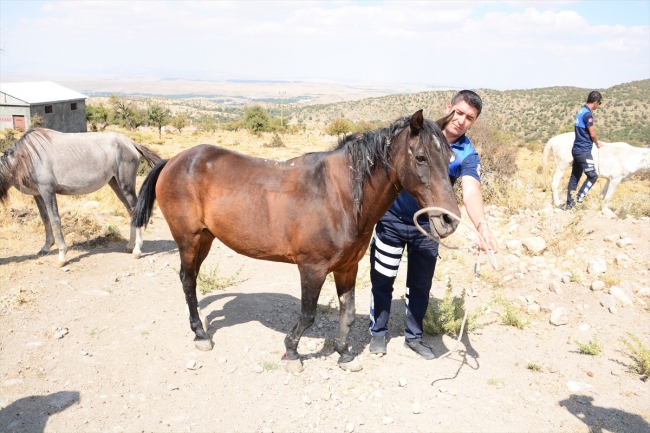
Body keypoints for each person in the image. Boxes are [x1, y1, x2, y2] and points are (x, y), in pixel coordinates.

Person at [368, 90, 498, 359]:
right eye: (459, 112)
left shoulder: (466, 154)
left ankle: (413, 337)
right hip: (391, 219)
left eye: (469, 118)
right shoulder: (415, 136)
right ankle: (378, 333)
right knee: (382, 279)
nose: (461, 120)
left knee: (420, 285)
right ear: (448, 107)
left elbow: (471, 190)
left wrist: (482, 226)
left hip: (428, 227)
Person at [566, 91, 603, 210]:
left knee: (575, 177)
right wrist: (597, 143)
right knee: (592, 176)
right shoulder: (588, 114)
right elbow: (592, 133)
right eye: (599, 103)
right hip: (583, 151)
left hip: (576, 149)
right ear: (596, 102)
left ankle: (569, 205)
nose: (598, 106)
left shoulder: (581, 111)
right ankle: (579, 198)